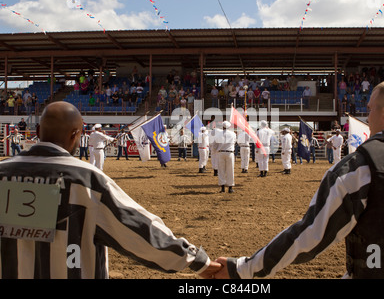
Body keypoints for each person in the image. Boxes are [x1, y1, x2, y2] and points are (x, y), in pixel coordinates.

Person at [214, 78, 384, 279]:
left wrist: (243, 269)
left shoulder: (360, 166)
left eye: (370, 110)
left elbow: (310, 236)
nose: (368, 117)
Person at [0, 100, 221, 279]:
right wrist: (196, 260)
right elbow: (138, 228)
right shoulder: (86, 179)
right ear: (76, 134)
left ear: (38, 130)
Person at [213, 121, 236, 193]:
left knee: (221, 170)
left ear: (222, 126)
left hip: (221, 153)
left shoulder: (218, 134)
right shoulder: (233, 134)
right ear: (229, 127)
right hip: (230, 153)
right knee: (230, 170)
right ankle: (230, 187)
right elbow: (234, 142)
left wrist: (218, 150)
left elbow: (214, 145)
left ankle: (222, 188)